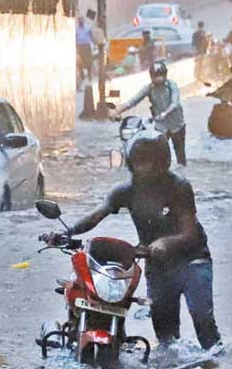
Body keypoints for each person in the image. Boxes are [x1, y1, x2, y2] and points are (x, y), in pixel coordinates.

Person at [43, 129, 221, 350]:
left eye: (149, 162)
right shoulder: (125, 191)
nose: (143, 167)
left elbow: (190, 232)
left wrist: (165, 243)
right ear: (130, 162)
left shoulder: (179, 186)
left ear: (162, 162)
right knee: (165, 333)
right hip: (157, 265)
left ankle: (214, 368)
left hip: (193, 260)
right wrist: (67, 232)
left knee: (203, 320)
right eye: (138, 161)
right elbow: (96, 215)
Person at [112, 62, 187, 167]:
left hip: (177, 125)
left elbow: (175, 103)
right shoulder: (149, 88)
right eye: (156, 76)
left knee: (181, 157)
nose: (159, 79)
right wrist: (117, 111)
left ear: (165, 75)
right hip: (161, 127)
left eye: (161, 75)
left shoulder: (171, 86)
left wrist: (165, 113)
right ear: (151, 76)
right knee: (159, 156)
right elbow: (133, 101)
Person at [76, 17, 93, 88]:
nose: (80, 22)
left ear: (83, 21)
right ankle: (82, 76)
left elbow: (91, 36)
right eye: (79, 21)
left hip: (87, 46)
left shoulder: (88, 27)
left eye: (81, 20)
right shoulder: (76, 29)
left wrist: (93, 44)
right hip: (79, 46)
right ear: (78, 21)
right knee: (79, 62)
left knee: (89, 61)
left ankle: (89, 76)